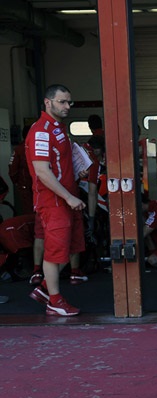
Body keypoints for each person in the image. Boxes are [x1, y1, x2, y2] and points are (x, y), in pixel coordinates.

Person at [25, 84, 87, 316]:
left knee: (70, 247)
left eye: (69, 102)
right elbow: (42, 171)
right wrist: (69, 197)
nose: (67, 106)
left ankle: (44, 290)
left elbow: (59, 164)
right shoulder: (41, 131)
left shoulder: (58, 128)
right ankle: (54, 301)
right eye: (62, 102)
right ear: (47, 102)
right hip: (55, 202)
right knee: (55, 252)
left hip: (67, 199)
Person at [8, 126, 33, 216]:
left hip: (29, 185)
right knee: (30, 212)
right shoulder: (20, 149)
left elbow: (12, 170)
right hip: (27, 186)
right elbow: (12, 170)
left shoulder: (19, 149)